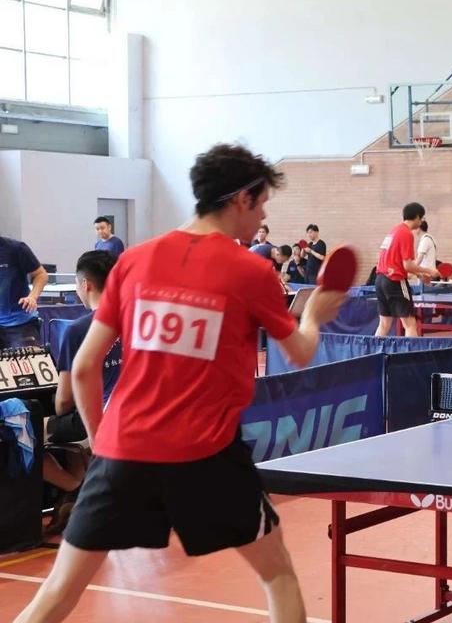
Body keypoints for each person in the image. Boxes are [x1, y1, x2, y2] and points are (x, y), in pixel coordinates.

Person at [14, 143, 346, 623]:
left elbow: (85, 367)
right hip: (206, 456)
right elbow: (299, 352)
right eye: (262, 203)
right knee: (279, 577)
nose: (263, 215)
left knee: (56, 593)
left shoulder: (135, 260)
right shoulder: (251, 270)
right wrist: (314, 315)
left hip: (124, 452)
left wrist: (103, 443)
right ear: (241, 199)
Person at [44, 250, 123, 532]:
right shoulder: (137, 321)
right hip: (136, 415)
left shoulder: (78, 330)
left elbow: (63, 401)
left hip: (102, 420)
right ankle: (74, 499)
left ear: (85, 284)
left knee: (27, 431)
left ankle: (75, 486)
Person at [373, 203, 441, 337]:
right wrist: (429, 271)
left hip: (380, 280)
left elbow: (400, 263)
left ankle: (375, 350)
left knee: (384, 324)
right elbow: (408, 266)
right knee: (410, 324)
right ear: (417, 217)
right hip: (395, 281)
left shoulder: (393, 231)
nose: (421, 221)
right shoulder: (406, 234)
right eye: (421, 218)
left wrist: (420, 275)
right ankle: (411, 351)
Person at [0, 235, 47, 349]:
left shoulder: (16, 248)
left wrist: (32, 297)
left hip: (20, 324)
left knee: (29, 360)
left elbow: (41, 274)